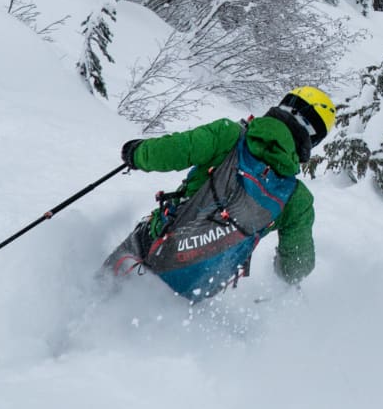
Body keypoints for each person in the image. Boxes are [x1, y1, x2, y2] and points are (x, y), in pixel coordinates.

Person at [103, 86, 334, 301]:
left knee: (98, 293)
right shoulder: (297, 198)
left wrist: (136, 153)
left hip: (154, 247)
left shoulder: (230, 135)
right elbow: (296, 267)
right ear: (313, 139)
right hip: (198, 287)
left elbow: (175, 150)